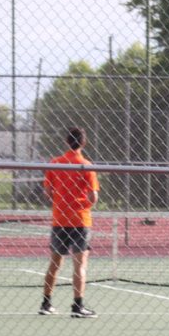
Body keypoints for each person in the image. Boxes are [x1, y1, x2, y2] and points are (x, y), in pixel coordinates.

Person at [39, 127, 100, 318]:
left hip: (59, 219)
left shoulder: (55, 163)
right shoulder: (86, 165)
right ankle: (77, 305)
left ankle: (46, 303)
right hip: (80, 220)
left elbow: (48, 192)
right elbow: (93, 197)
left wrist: (61, 201)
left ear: (66, 142)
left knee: (55, 263)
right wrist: (81, 204)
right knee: (79, 265)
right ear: (83, 143)